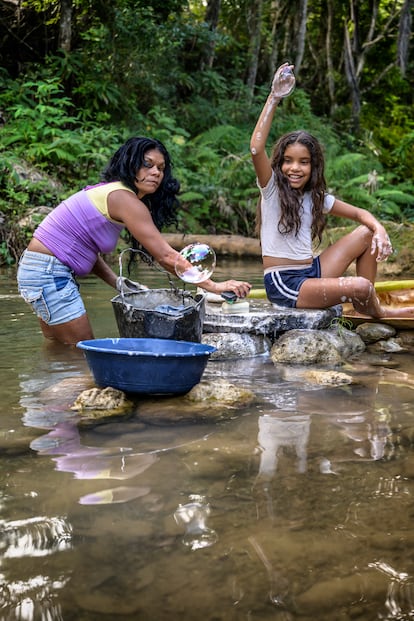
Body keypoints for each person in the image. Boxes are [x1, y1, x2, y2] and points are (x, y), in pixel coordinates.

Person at [17, 136, 251, 345]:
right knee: (83, 353)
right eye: (147, 164)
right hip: (49, 275)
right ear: (130, 164)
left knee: (61, 351)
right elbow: (166, 256)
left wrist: (118, 283)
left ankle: (44, 392)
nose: (156, 172)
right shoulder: (124, 199)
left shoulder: (113, 194)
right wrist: (215, 286)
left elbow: (85, 250)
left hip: (40, 272)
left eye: (161, 168)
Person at [250, 62, 414, 320]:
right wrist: (274, 97)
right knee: (358, 286)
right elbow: (256, 149)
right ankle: (378, 310)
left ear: (313, 166)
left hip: (313, 271)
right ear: (280, 164)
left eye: (304, 162)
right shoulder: (271, 189)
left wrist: (380, 231)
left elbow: (361, 214)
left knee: (367, 233)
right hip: (285, 283)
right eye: (288, 161)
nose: (295, 168)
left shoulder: (315, 197)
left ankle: (363, 302)